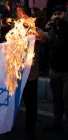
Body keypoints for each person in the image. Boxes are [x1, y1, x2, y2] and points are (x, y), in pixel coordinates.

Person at [39, 4, 68, 134]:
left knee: (66, 101)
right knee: (56, 99)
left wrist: (54, 30)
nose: (57, 16)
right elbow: (44, 43)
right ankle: (57, 124)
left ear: (65, 14)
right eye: (55, 14)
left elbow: (60, 43)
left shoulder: (65, 28)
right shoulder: (51, 27)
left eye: (60, 14)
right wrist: (45, 30)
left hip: (66, 72)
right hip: (54, 70)